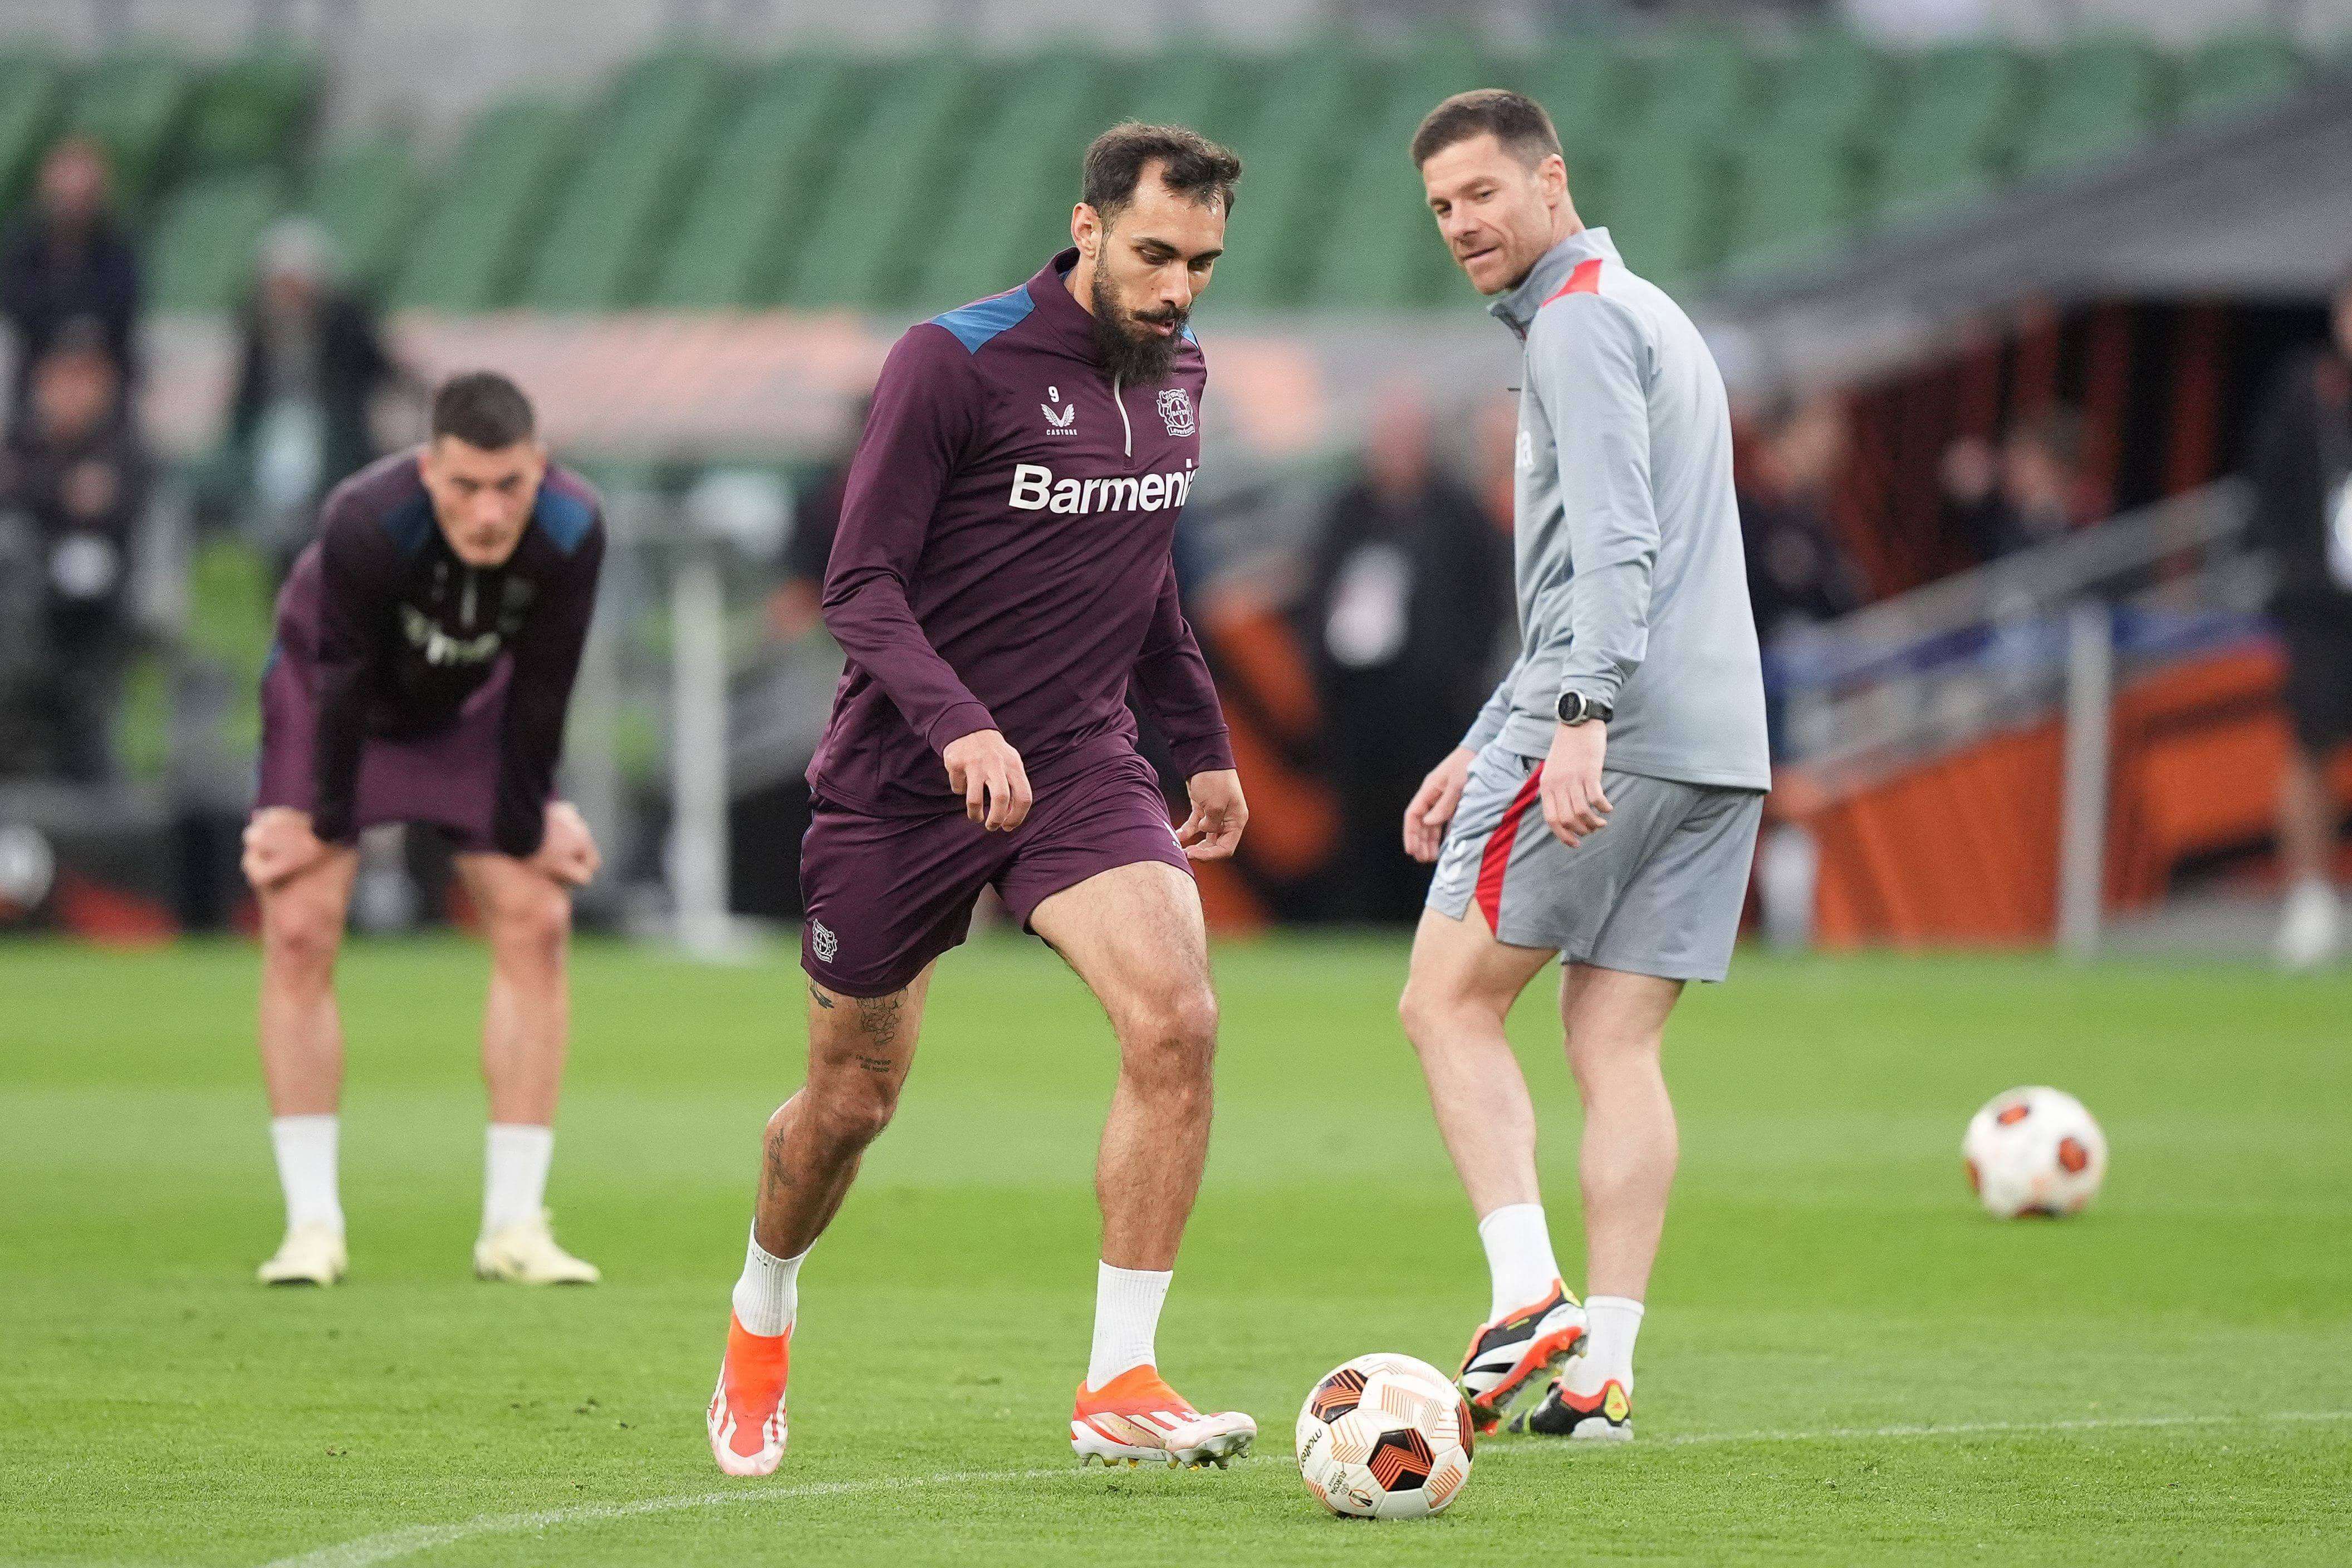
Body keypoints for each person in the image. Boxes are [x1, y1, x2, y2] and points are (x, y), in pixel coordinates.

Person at [704, 124, 1254, 1479]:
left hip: (1075, 763)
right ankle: (761, 1304)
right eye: (1153, 254)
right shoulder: (950, 361)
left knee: (1177, 1017)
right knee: (849, 1103)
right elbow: (859, 588)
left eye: (1201, 261)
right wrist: (957, 726)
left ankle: (1118, 1380)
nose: (1178, 286)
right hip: (903, 781)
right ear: (1084, 227)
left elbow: (1147, 583)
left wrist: (1200, 744)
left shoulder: (1181, 376)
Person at [1396, 90, 1771, 1443]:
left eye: (1482, 193)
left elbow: (1613, 546)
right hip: (1723, 743)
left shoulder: (1574, 321)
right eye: (1441, 207)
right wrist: (1487, 732)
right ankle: (1602, 1369)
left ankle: (1523, 1297)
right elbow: (1615, 558)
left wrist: (1574, 714)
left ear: (1550, 178)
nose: (1461, 224)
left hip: (1623, 722)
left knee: (1443, 1003)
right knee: (1613, 1041)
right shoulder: (1650, 309)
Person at [241, 373, 606, 1288]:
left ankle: (514, 1226)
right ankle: (311, 1227)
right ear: (428, 468)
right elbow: (340, 675)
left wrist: (531, 819)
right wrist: (316, 818)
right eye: (465, 487)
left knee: (538, 916)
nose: (487, 512)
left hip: (469, 708)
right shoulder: (365, 518)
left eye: (508, 487)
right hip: (337, 703)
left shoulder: (573, 527)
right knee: (298, 921)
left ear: (539, 469)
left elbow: (543, 686)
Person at [1302, 383, 1510, 921]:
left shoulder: (1459, 515)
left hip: (1433, 707)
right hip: (1359, 703)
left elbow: (1485, 603)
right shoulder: (1347, 510)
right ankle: (1364, 919)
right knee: (1362, 820)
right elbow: (1316, 594)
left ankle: (1435, 916)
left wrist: (1457, 675)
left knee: (1433, 810)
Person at [2250, 264, 2352, 969]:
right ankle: (2311, 899)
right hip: (2322, 607)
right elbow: (2269, 488)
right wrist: (2299, 571)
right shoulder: (2306, 389)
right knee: (2310, 744)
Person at [2, 321, 148, 782]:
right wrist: (61, 490)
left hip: (92, 617)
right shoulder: (22, 443)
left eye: (86, 379)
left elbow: (118, 506)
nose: (72, 392)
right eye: (62, 377)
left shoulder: (124, 447)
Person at [222, 219, 409, 580]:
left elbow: (377, 370)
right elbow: (246, 398)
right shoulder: (260, 329)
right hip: (278, 440)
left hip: (334, 440)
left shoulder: (344, 322)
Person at [0, 137, 140, 432]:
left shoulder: (119, 251)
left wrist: (84, 349)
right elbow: (20, 310)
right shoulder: (24, 252)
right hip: (40, 367)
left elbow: (121, 312)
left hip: (103, 366)